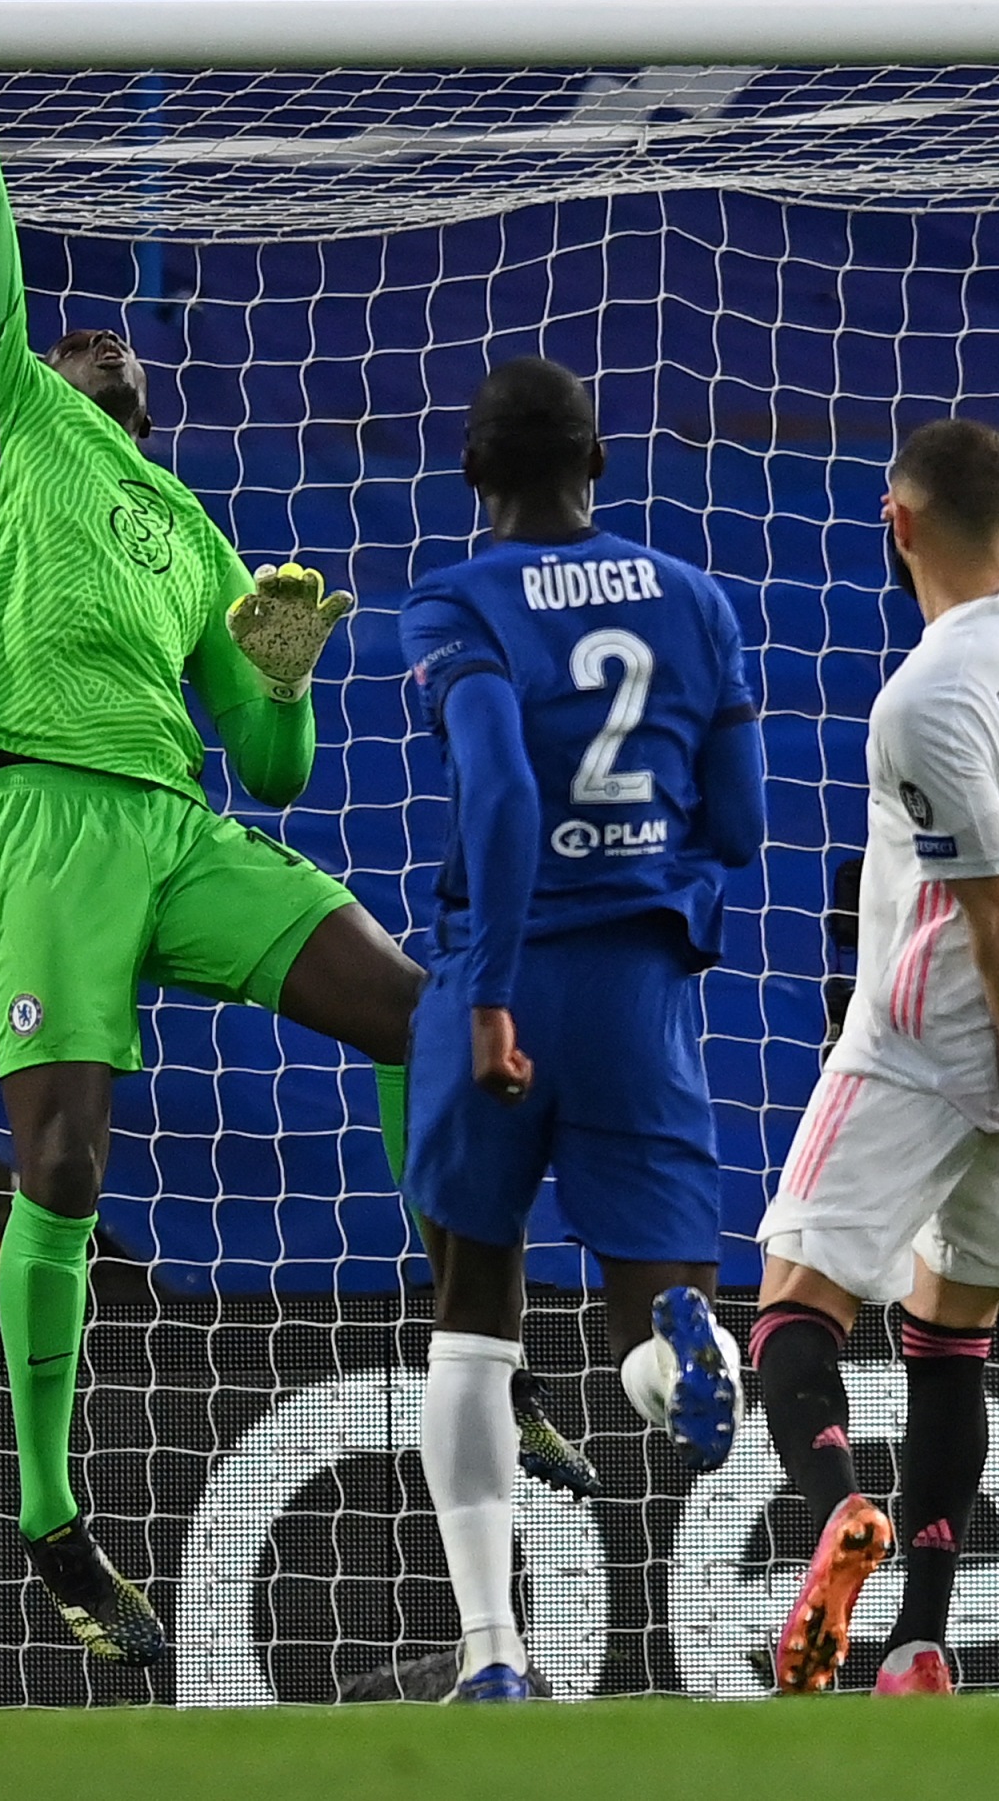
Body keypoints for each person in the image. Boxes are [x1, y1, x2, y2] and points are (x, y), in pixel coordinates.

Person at [0, 0, 426, 1668]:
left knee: (414, 1007)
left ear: (150, 406)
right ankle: (47, 1512)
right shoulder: (12, 408)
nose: (91, 343)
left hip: (178, 829)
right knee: (71, 1155)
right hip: (42, 813)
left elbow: (272, 770)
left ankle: (462, 1330)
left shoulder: (197, 536)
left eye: (118, 355)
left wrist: (282, 672)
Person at [394, 356, 768, 1702]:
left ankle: (496, 1652)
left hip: (504, 977)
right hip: (639, 988)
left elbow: (494, 787)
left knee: (472, 1320)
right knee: (665, 1308)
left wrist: (491, 988)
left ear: (475, 480)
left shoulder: (453, 604)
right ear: (597, 464)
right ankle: (682, 1355)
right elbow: (740, 825)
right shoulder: (697, 600)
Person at [747, 419, 999, 1699]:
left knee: (794, 1307)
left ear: (896, 526)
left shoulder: (923, 699)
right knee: (949, 1336)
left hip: (928, 1049)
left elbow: (997, 905)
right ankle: (917, 1636)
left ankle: (842, 1506)